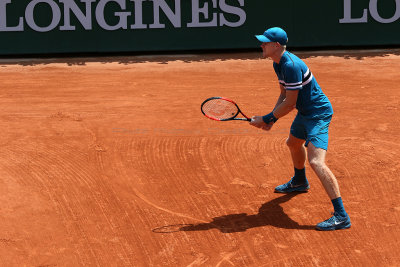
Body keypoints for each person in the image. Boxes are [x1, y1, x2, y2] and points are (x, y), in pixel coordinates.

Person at [250, 27, 351, 231]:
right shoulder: (278, 64)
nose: (261, 45)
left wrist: (266, 118)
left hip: (318, 114)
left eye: (265, 42)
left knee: (316, 161)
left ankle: (341, 216)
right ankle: (299, 181)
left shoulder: (292, 66)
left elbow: (290, 104)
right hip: (305, 113)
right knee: (293, 143)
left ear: (276, 46)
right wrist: (271, 119)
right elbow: (284, 95)